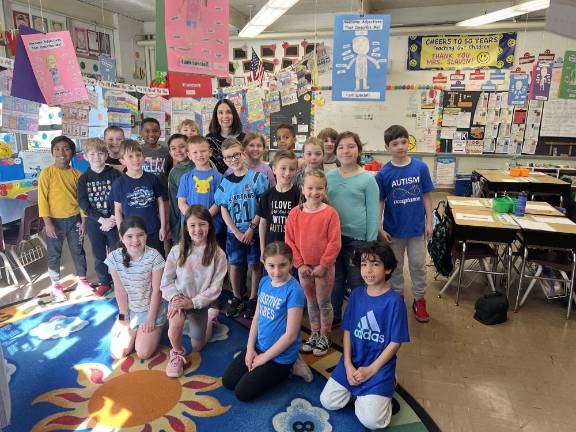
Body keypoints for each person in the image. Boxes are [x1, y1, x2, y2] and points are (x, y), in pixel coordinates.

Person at [320, 241, 409, 430]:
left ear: (388, 269)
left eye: (375, 264)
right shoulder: (357, 294)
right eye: (363, 264)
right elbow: (348, 331)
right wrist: (348, 364)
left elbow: (395, 342)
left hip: (379, 367)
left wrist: (371, 370)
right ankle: (363, 394)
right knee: (327, 401)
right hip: (353, 361)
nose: (368, 270)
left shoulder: (395, 302)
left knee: (373, 422)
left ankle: (386, 385)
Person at [222, 241, 307, 401]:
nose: (276, 271)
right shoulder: (264, 282)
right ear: (264, 263)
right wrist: (249, 349)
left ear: (291, 263)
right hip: (259, 346)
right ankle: (262, 360)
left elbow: (291, 335)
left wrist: (264, 358)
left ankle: (292, 366)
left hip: (281, 356)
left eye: (282, 265)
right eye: (271, 265)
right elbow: (257, 318)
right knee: (228, 381)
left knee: (243, 393)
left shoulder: (294, 290)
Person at [375, 125, 434, 323]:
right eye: (395, 144)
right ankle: (398, 298)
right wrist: (379, 226)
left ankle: (419, 299)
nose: (400, 147)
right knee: (396, 266)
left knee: (418, 265)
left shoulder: (420, 167)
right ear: (387, 147)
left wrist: (429, 222)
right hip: (394, 230)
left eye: (403, 142)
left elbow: (426, 196)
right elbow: (381, 201)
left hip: (417, 229)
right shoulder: (384, 173)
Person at [161, 205, 227, 378]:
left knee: (198, 346)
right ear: (186, 227)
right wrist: (176, 298)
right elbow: (166, 282)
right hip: (179, 300)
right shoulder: (177, 251)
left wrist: (193, 302)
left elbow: (216, 287)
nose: (197, 229)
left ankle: (211, 319)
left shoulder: (218, 254)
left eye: (202, 224)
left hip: (200, 303)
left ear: (210, 226)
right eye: (193, 225)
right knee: (174, 325)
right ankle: (177, 354)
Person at [326, 131, 380, 327]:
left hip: (357, 239)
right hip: (332, 238)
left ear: (358, 150)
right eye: (341, 147)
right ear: (335, 151)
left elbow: (374, 212)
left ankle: (357, 318)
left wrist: (370, 244)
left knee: (357, 280)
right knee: (335, 279)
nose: (345, 151)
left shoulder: (367, 179)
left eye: (350, 146)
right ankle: (335, 316)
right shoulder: (329, 176)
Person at [285, 170, 341, 356]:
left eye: (319, 188)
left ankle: (326, 334)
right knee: (310, 302)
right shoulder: (295, 213)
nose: (314, 192)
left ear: (325, 190)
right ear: (302, 189)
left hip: (323, 268)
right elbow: (289, 240)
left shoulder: (330, 213)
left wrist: (324, 265)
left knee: (324, 302)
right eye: (310, 188)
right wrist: (300, 264)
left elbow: (334, 242)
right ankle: (315, 332)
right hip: (304, 269)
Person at [215, 138, 268, 319]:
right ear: (224, 160)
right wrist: (237, 232)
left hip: (253, 231)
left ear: (243, 154)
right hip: (233, 233)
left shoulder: (257, 178)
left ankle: (253, 298)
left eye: (236, 155)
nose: (233, 160)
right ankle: (237, 296)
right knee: (235, 264)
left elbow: (262, 207)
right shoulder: (225, 182)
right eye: (228, 157)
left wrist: (251, 228)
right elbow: (223, 210)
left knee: (255, 264)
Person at [105, 216, 167, 360]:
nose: (135, 240)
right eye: (129, 236)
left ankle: (160, 323)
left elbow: (157, 290)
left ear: (146, 235)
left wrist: (151, 319)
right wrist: (123, 316)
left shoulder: (154, 256)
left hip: (152, 309)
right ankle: (130, 327)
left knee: (143, 353)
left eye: (140, 235)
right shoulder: (114, 257)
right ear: (121, 237)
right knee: (117, 353)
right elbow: (119, 289)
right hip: (131, 310)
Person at [39, 135, 90, 301]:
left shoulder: (77, 175)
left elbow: (83, 201)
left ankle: (82, 280)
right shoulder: (46, 174)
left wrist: (84, 221)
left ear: (73, 153)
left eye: (66, 149)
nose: (62, 152)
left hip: (75, 220)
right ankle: (56, 285)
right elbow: (42, 200)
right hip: (54, 222)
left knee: (78, 251)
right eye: (57, 149)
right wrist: (48, 223)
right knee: (54, 254)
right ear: (52, 152)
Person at [77, 138, 121, 297]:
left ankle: (120, 281)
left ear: (107, 154)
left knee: (117, 252)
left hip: (114, 221)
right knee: (99, 255)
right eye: (92, 154)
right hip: (95, 224)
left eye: (100, 153)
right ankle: (104, 282)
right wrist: (102, 220)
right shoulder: (83, 178)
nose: (97, 157)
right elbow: (83, 203)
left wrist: (113, 219)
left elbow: (120, 197)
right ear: (86, 156)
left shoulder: (115, 173)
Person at [112, 139, 166, 256]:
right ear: (122, 161)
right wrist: (122, 233)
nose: (135, 159)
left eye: (138, 155)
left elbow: (160, 203)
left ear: (143, 157)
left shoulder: (152, 178)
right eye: (130, 156)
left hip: (153, 230)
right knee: (136, 263)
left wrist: (163, 226)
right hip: (131, 234)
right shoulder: (119, 183)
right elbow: (118, 210)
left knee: (158, 259)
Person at [177, 135, 225, 247]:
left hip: (213, 227)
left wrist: (204, 218)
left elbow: (219, 203)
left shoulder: (219, 177)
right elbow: (181, 202)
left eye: (203, 151)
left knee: (214, 258)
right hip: (191, 229)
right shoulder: (186, 177)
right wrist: (194, 220)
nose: (199, 155)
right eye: (195, 152)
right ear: (189, 155)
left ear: (210, 152)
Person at [257, 150, 300, 259]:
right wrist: (262, 250)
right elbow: (263, 223)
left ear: (296, 171)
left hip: (292, 248)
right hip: (271, 248)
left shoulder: (299, 195)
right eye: (283, 168)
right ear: (274, 169)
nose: (287, 173)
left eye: (292, 169)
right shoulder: (267, 195)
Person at [167, 134, 194, 243]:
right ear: (170, 153)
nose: (178, 150)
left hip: (206, 216)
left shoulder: (202, 162)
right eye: (173, 148)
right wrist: (176, 228)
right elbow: (174, 203)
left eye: (182, 146)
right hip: (184, 220)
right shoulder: (174, 173)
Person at [206, 99, 246, 173]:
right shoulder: (209, 140)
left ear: (234, 115)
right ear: (216, 116)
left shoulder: (245, 139)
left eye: (229, 112)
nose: (225, 116)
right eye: (220, 113)